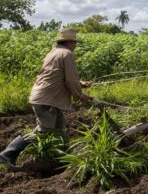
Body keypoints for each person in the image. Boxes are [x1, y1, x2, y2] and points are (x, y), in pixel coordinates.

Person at [0, 28, 93, 170]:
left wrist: (81, 83)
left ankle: (65, 160)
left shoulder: (54, 52)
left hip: (46, 98)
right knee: (43, 132)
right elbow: (70, 81)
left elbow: (58, 75)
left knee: (61, 128)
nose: (75, 45)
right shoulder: (67, 54)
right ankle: (7, 154)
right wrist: (80, 96)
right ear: (68, 42)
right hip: (47, 100)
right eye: (74, 42)